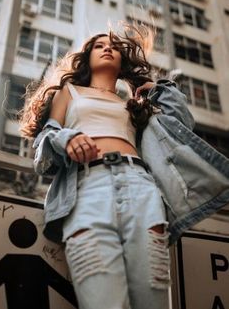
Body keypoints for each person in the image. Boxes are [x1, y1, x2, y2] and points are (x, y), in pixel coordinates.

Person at [20, 24, 229, 309]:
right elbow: (46, 137)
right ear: (86, 57)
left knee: (151, 300)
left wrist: (159, 89)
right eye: (99, 45)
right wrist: (67, 139)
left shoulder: (133, 104)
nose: (108, 48)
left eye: (115, 47)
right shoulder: (69, 93)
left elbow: (183, 124)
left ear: (122, 61)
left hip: (140, 187)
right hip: (86, 188)